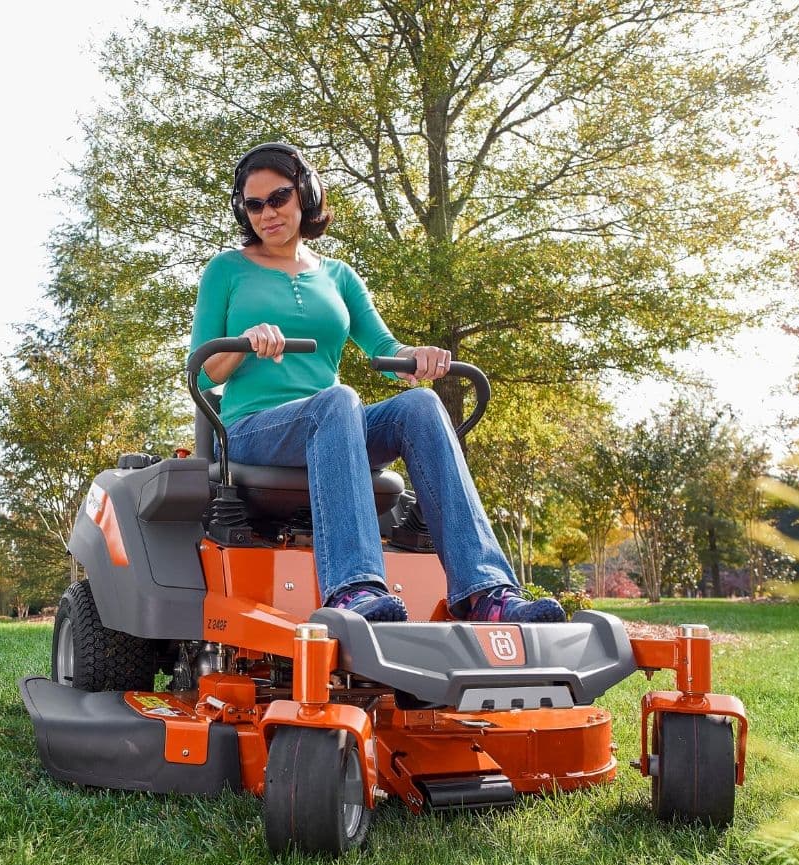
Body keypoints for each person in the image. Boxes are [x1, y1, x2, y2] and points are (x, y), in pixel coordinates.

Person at [192, 141, 563, 629]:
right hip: (252, 430)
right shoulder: (226, 270)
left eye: (278, 198)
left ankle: (485, 591)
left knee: (421, 405)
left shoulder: (339, 276)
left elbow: (387, 354)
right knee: (339, 399)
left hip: (332, 425)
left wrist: (418, 359)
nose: (267, 213)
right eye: (254, 204)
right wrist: (242, 343)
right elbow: (201, 372)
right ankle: (355, 589)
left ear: (305, 194)